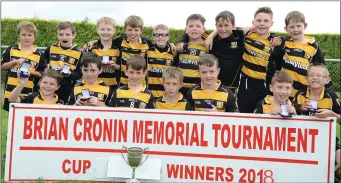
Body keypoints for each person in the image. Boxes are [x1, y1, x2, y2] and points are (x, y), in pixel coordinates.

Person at [293, 63, 340, 179]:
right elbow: (288, 114)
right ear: (306, 79)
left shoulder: (331, 96)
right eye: (312, 75)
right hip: (303, 143)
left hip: (329, 142)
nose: (315, 77)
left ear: (327, 80)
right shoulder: (300, 95)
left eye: (319, 75)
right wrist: (299, 108)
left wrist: (332, 114)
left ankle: (332, 174)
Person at [266, 11, 325, 100]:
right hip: (285, 93)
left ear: (305, 26)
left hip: (304, 93)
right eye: (292, 27)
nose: (295, 29)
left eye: (298, 26)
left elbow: (321, 68)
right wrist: (276, 38)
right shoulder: (284, 43)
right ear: (286, 28)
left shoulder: (314, 45)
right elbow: (271, 38)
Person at [1, 21, 45, 111]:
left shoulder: (39, 54)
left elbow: (42, 73)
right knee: (12, 121)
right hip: (11, 91)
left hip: (29, 94)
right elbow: (1, 67)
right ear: (19, 36)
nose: (27, 38)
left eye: (30, 35)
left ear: (34, 37)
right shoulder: (11, 49)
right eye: (23, 35)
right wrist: (14, 62)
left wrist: (30, 72)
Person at [43, 21, 83, 103]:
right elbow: (42, 65)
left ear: (73, 35)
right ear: (57, 35)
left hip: (67, 86)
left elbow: (80, 73)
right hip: (49, 85)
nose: (64, 37)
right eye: (61, 34)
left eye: (67, 34)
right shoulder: (51, 49)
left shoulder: (79, 53)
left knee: (63, 108)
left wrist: (70, 75)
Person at [174, 14, 209, 95]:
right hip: (180, 87)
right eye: (191, 26)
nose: (194, 29)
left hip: (199, 88)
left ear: (203, 29)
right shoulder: (180, 46)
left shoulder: (208, 46)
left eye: (198, 26)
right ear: (186, 29)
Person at [84, 17, 120, 90]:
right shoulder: (92, 48)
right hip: (95, 86)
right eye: (102, 29)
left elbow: (121, 67)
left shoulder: (118, 48)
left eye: (109, 29)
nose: (105, 32)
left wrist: (115, 66)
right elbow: (86, 67)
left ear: (114, 31)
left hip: (113, 87)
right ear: (97, 30)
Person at [147, 24, 176, 97]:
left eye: (163, 35)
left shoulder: (173, 52)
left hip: (167, 94)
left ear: (168, 37)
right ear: (153, 37)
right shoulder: (148, 51)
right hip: (150, 94)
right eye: (157, 35)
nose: (160, 37)